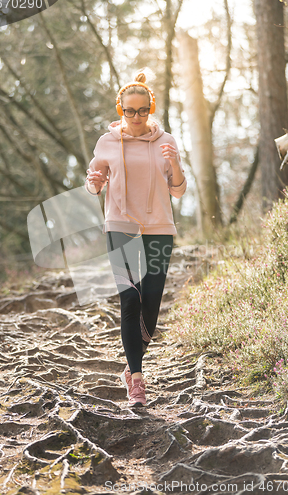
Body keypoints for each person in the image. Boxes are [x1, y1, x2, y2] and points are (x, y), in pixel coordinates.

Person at [85, 71, 187, 407]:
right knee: (130, 300)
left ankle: (132, 363)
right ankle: (137, 380)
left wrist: (173, 164)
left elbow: (179, 190)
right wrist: (96, 181)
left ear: (151, 108)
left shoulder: (166, 140)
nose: (136, 117)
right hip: (120, 225)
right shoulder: (106, 142)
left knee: (151, 307)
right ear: (120, 110)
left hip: (159, 226)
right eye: (129, 111)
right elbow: (94, 184)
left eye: (142, 110)